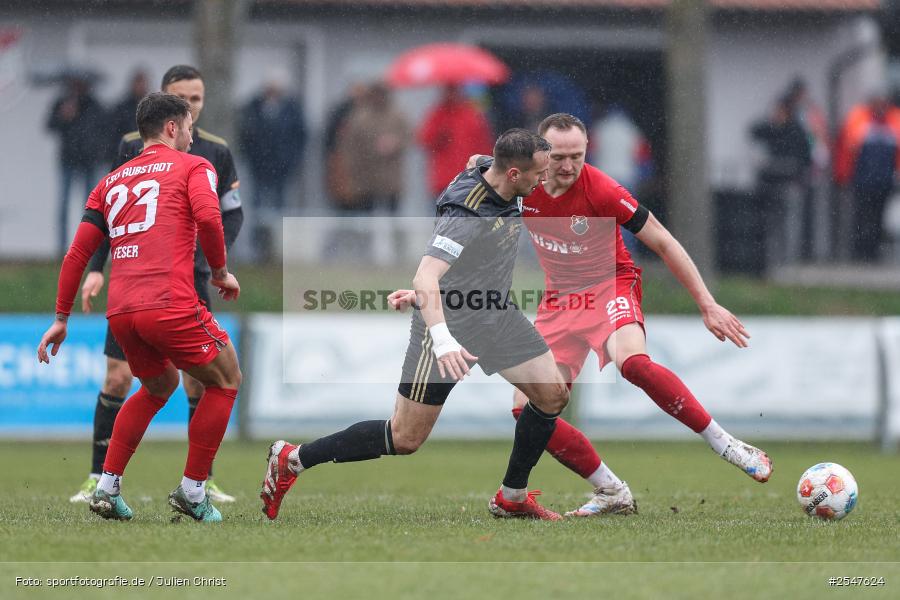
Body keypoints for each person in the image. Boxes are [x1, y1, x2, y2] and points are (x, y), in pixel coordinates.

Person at [397, 113, 772, 517]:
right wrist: (432, 288)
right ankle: (610, 490)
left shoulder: (604, 190)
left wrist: (707, 303)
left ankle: (725, 443)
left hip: (610, 284)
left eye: (577, 155)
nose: (567, 166)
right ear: (538, 155)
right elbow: (479, 169)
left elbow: (662, 241)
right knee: (530, 408)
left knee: (633, 364)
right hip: (559, 300)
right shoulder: (523, 183)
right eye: (558, 156)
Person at [261, 129, 570, 521]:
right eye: (537, 174)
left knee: (552, 395)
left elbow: (475, 160)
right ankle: (292, 459)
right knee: (405, 437)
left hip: (496, 314)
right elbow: (426, 278)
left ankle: (512, 496)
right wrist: (442, 340)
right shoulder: (466, 215)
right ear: (512, 174)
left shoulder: (487, 168)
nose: (542, 181)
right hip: (448, 326)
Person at [38, 92, 242, 522]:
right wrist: (221, 272)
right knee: (225, 379)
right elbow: (209, 218)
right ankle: (193, 489)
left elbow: (77, 256)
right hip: (169, 302)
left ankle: (107, 486)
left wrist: (60, 318)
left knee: (157, 386)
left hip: (123, 312)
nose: (191, 135)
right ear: (172, 127)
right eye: (187, 126)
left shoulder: (111, 181)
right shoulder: (194, 166)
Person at [238, 68, 306, 260]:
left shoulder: (291, 109)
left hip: (282, 169)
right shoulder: (253, 107)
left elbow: (299, 137)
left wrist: (290, 160)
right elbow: (246, 135)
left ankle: (278, 248)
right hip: (259, 167)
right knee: (258, 209)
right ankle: (259, 248)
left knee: (280, 210)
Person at [833, 92, 900, 262]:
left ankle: (873, 251)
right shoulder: (859, 120)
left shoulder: (893, 122)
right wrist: (843, 175)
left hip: (883, 181)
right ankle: (860, 251)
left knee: (878, 217)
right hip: (863, 180)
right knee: (862, 216)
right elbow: (847, 150)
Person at [46, 74, 107, 256]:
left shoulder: (94, 105)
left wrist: (97, 152)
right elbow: (50, 125)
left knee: (91, 208)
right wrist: (63, 116)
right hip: (68, 160)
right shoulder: (63, 103)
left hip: (89, 161)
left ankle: (88, 248)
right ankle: (61, 248)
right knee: (63, 206)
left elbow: (102, 130)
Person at [750, 95, 812, 270]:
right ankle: (773, 259)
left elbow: (804, 158)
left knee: (789, 223)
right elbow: (754, 131)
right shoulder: (771, 129)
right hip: (771, 184)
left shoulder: (796, 132)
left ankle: (789, 260)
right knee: (772, 223)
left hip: (790, 184)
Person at [418, 85, 493, 201]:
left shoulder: (471, 114)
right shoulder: (438, 114)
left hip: (467, 180)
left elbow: (483, 147)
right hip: (444, 180)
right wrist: (440, 136)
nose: (451, 95)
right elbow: (425, 140)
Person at [107, 70, 150, 164]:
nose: (141, 87)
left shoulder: (152, 106)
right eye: (139, 83)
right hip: (126, 154)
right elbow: (114, 131)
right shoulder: (122, 108)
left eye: (143, 83)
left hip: (145, 155)